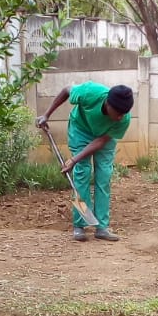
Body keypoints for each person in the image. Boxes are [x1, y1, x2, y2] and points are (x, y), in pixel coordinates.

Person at [36, 82, 134, 242]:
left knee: (104, 176)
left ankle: (102, 227)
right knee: (82, 173)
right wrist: (46, 115)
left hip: (104, 138)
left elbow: (101, 141)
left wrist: (74, 159)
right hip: (80, 130)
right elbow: (66, 90)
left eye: (124, 113)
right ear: (108, 104)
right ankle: (79, 225)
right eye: (118, 113)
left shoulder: (123, 119)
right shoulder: (90, 92)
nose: (120, 117)